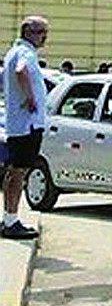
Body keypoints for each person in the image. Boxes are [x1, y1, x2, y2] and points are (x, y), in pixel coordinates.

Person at [3, 16, 50, 240]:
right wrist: (31, 98)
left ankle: (8, 218)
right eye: (41, 32)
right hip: (27, 124)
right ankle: (11, 221)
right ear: (28, 32)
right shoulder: (26, 54)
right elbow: (21, 72)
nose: (44, 37)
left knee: (14, 171)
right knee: (19, 172)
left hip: (17, 124)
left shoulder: (12, 52)